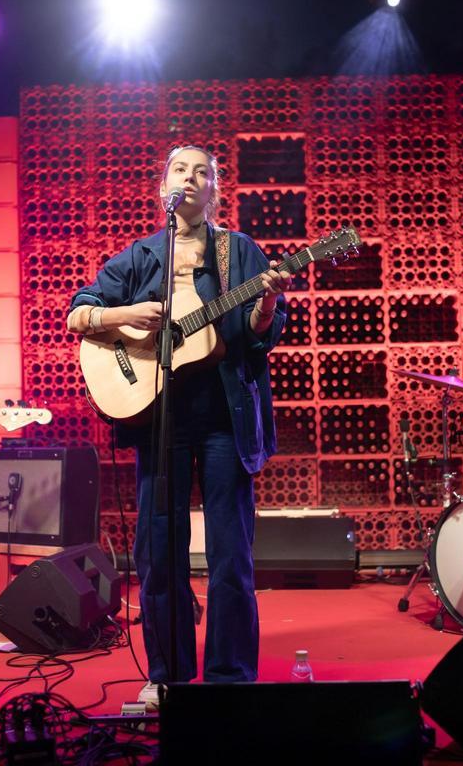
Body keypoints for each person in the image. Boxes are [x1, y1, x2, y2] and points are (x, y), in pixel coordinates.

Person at [67, 145, 287, 705]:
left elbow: (262, 336)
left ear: (216, 189)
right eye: (180, 170)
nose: (191, 179)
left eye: (202, 173)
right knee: (158, 554)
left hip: (225, 420)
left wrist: (264, 307)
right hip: (159, 422)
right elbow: (79, 311)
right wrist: (126, 314)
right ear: (162, 185)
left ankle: (230, 678)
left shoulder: (240, 251)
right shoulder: (141, 255)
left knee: (230, 554)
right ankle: (167, 675)